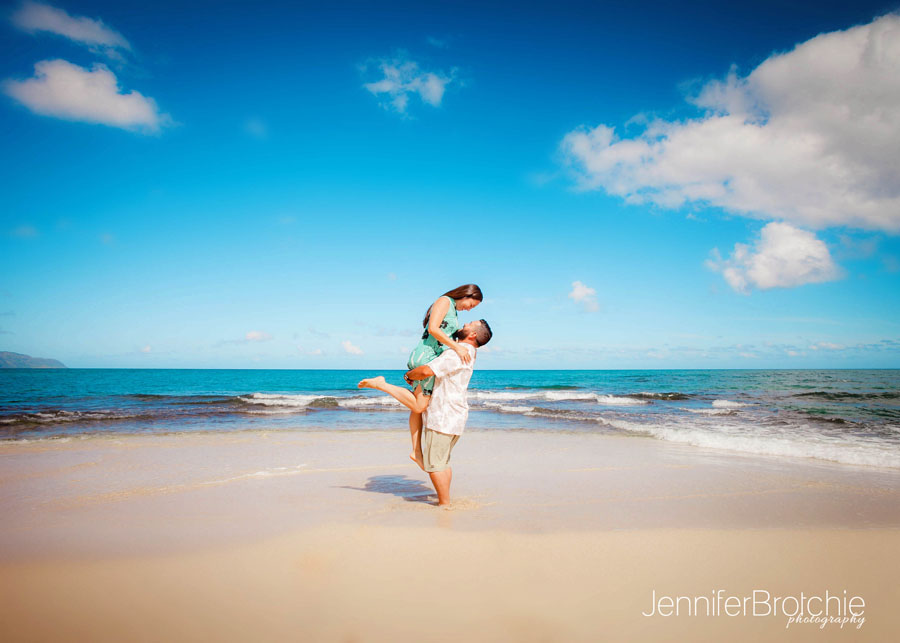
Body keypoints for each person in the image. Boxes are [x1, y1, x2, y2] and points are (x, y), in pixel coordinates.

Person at [358, 319, 493, 505]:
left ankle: (444, 504)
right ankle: (445, 500)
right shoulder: (469, 352)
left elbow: (427, 371)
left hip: (443, 417)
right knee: (442, 462)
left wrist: (408, 375)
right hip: (454, 416)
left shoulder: (458, 354)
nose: (463, 325)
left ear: (473, 334)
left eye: (469, 324)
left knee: (435, 465)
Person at [360, 284, 482, 470]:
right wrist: (457, 347)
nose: (469, 309)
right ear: (466, 294)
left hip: (432, 357)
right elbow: (433, 329)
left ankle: (416, 451)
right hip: (426, 356)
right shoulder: (444, 301)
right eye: (471, 304)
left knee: (417, 408)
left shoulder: (454, 312)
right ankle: (381, 384)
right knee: (419, 405)